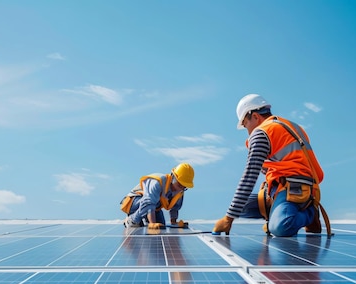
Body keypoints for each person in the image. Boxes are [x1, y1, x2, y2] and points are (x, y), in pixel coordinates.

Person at [213, 94, 325, 237]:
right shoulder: (290, 126)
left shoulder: (262, 133)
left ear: (254, 116)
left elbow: (250, 175)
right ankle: (278, 211)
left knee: (280, 227)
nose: (247, 131)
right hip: (285, 187)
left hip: (294, 188)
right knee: (240, 206)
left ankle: (309, 214)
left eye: (245, 124)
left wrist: (228, 219)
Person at [121, 163, 194, 229]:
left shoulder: (180, 190)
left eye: (184, 187)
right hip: (134, 202)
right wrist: (152, 223)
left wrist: (174, 223)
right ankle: (132, 220)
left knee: (161, 226)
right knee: (149, 207)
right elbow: (148, 203)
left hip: (154, 206)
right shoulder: (158, 182)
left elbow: (175, 207)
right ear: (172, 177)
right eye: (179, 185)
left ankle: (146, 219)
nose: (180, 188)